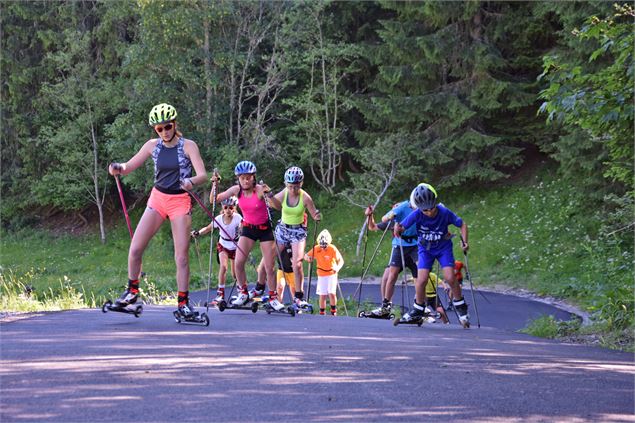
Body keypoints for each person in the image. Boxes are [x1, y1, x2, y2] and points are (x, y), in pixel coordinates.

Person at [109, 103, 207, 317]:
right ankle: (132, 292)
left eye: (168, 126)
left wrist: (190, 181)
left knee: (181, 257)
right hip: (158, 198)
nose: (164, 131)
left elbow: (203, 175)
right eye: (159, 128)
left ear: (175, 124)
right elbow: (128, 167)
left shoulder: (188, 145)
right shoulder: (152, 146)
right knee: (135, 248)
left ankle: (183, 303)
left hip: (180, 201)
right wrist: (117, 167)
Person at [211, 161, 285, 311]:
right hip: (248, 229)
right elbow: (214, 200)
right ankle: (243, 293)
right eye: (242, 177)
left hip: (264, 229)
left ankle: (273, 298)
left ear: (254, 177)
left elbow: (278, 207)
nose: (245, 180)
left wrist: (269, 194)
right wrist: (215, 185)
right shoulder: (236, 190)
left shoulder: (259, 190)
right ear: (238, 178)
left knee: (270, 267)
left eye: (249, 177)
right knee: (238, 263)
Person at [394, 183, 470, 326]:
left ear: (435, 203)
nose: (429, 212)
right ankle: (418, 309)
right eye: (425, 210)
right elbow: (402, 227)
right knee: (421, 280)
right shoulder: (417, 214)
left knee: (450, 277)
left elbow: (462, 224)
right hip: (425, 250)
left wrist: (465, 242)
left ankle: (461, 306)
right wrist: (398, 229)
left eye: (431, 208)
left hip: (443, 248)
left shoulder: (444, 212)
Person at [266, 166, 321, 310]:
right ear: (286, 184)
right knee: (270, 258)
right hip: (283, 229)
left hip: (298, 232)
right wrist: (268, 197)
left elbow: (314, 212)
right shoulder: (284, 193)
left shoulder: (305, 197)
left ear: (301, 184)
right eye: (290, 186)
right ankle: (271, 294)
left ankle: (299, 296)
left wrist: (317, 216)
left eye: (296, 187)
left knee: (297, 263)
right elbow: (273, 204)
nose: (293, 190)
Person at [364, 200, 418, 317]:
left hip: (414, 247)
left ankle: (419, 305)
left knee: (420, 275)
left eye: (396, 208)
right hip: (399, 248)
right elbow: (372, 227)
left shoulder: (412, 213)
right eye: (393, 209)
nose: (395, 211)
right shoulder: (392, 221)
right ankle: (386, 306)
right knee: (387, 276)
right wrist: (370, 215)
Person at [191, 196, 242, 305]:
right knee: (223, 267)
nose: (228, 210)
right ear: (223, 208)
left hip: (235, 245)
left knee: (235, 273)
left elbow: (243, 227)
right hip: (223, 244)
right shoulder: (219, 219)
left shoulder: (238, 218)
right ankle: (220, 295)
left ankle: (241, 294)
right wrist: (198, 233)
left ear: (234, 208)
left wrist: (243, 231)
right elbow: (208, 228)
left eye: (231, 208)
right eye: (226, 207)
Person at [304, 229, 343, 315]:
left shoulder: (332, 248)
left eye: (325, 246)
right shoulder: (316, 248)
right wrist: (308, 258)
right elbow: (306, 256)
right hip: (321, 274)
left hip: (332, 273)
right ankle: (322, 312)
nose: (323, 248)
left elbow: (341, 260)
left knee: (332, 293)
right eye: (322, 246)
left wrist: (337, 267)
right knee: (322, 294)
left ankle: (333, 311)